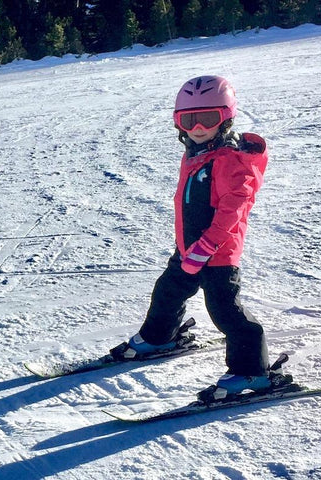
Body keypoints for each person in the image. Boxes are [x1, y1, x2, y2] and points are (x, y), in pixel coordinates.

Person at [114, 75, 281, 401]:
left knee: (225, 311)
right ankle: (159, 337)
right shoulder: (197, 153)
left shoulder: (233, 162)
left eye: (209, 118)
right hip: (188, 249)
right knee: (167, 293)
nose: (198, 126)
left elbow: (232, 212)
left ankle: (252, 371)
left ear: (226, 118)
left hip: (217, 255)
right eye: (188, 119)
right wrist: (190, 247)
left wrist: (206, 246)